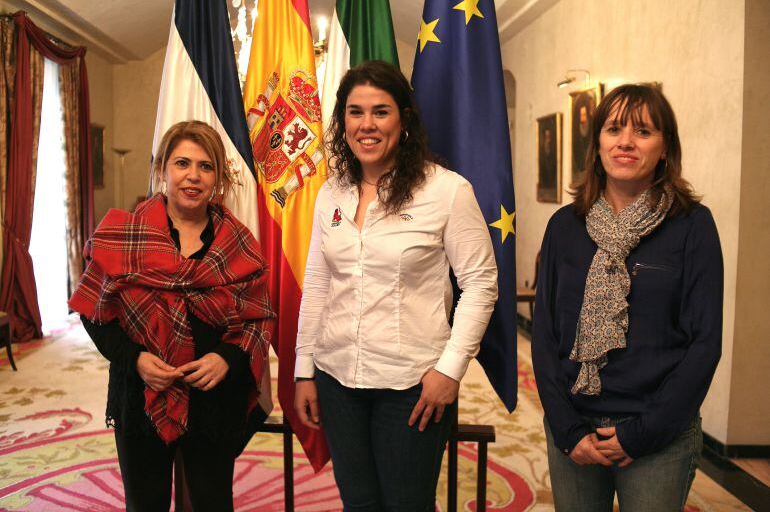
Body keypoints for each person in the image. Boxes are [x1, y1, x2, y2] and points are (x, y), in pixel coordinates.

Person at [293, 60, 498, 512]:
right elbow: (318, 282)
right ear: (342, 120)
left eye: (380, 111)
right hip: (337, 377)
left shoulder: (447, 191)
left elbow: (480, 283)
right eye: (355, 112)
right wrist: (304, 368)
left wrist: (450, 370)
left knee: (407, 504)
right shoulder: (333, 191)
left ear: (404, 119)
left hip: (411, 384)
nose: (366, 124)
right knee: (359, 503)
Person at [532, 84, 723, 512]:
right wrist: (566, 428)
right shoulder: (565, 226)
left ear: (665, 147)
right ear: (596, 143)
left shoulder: (692, 226)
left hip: (658, 435)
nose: (625, 142)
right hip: (575, 428)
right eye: (614, 128)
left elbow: (705, 343)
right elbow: (543, 335)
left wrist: (642, 433)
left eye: (643, 131)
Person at [69, 121, 274, 512]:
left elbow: (257, 317)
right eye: (182, 163)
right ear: (162, 168)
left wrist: (226, 358)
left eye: (205, 166)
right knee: (146, 503)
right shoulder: (123, 233)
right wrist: (137, 359)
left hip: (214, 399)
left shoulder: (239, 242)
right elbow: (94, 313)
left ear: (218, 177)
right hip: (142, 395)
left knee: (212, 502)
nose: (193, 176)